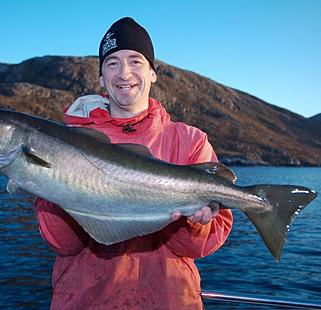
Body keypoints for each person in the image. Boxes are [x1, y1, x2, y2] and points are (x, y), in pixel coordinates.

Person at [34, 17, 233, 309]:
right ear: (101, 78)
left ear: (152, 73)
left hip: (169, 300)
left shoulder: (190, 141)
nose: (123, 72)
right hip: (85, 301)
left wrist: (195, 225)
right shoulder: (65, 143)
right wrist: (56, 188)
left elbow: (198, 246)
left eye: (135, 61)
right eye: (112, 63)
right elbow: (64, 244)